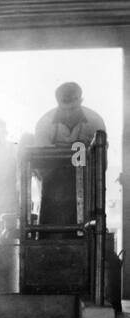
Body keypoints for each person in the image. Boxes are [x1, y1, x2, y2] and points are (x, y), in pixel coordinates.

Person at [33, 82, 106, 228]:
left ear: (81, 101)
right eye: (63, 108)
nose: (68, 113)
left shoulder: (95, 122)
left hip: (87, 186)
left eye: (72, 108)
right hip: (53, 189)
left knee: (87, 230)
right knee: (52, 229)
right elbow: (41, 165)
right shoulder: (44, 123)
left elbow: (101, 162)